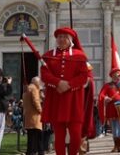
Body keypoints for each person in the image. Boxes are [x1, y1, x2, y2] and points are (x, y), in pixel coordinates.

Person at [40, 27, 89, 155]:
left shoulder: (79, 55)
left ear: (70, 40)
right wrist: (58, 82)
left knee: (76, 135)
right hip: (57, 99)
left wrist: (69, 85)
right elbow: (44, 75)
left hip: (74, 99)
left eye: (65, 37)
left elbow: (84, 76)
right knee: (59, 135)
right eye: (59, 37)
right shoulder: (49, 56)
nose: (62, 39)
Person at [98, 67, 120, 152]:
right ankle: (116, 145)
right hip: (111, 108)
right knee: (114, 128)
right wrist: (106, 97)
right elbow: (101, 95)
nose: (118, 75)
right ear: (112, 76)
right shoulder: (107, 85)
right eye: (116, 74)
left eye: (119, 74)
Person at [24, 77, 44, 155]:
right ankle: (40, 152)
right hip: (35, 116)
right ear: (36, 82)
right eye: (39, 83)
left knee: (31, 137)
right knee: (38, 137)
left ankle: (30, 152)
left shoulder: (27, 89)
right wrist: (41, 110)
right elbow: (35, 101)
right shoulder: (34, 89)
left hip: (29, 116)